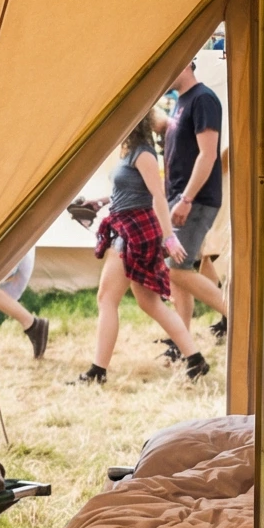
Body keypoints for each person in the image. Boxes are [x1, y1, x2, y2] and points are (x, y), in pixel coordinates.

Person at [78, 112, 210, 385]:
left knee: (106, 298)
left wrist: (169, 238)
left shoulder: (144, 154)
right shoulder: (130, 152)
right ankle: (195, 359)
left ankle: (98, 371)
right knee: (149, 302)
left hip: (135, 232)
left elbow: (157, 196)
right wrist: (100, 202)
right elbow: (127, 191)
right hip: (128, 227)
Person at [161, 53, 228, 341]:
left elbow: (208, 154)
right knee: (180, 271)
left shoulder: (203, 99)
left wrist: (186, 199)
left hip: (197, 201)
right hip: (180, 198)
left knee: (177, 270)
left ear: (187, 63)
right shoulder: (181, 102)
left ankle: (238, 317)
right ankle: (182, 339)